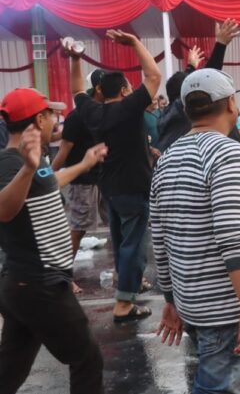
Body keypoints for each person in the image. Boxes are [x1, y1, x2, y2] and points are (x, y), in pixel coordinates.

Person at [151, 69, 240, 394]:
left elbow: (159, 237)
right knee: (218, 387)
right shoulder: (228, 154)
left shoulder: (168, 159)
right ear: (232, 104)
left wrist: (170, 298)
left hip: (193, 302)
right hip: (228, 309)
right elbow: (234, 237)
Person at [0, 88, 107, 394]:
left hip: (26, 285)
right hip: (38, 283)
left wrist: (84, 164)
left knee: (11, 367)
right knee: (87, 359)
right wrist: (28, 168)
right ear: (39, 119)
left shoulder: (31, 161)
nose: (55, 121)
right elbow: (4, 210)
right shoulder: (10, 162)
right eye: (51, 115)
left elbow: (47, 183)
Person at [69, 29, 162, 323]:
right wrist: (135, 42)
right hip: (134, 188)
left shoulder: (93, 112)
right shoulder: (129, 109)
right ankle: (124, 304)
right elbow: (154, 76)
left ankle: (126, 291)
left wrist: (75, 58)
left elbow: (76, 91)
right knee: (134, 246)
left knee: (122, 242)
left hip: (109, 188)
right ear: (123, 90)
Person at [52, 70, 109, 295]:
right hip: (82, 180)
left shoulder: (103, 112)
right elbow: (64, 149)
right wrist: (46, 179)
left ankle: (126, 275)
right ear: (98, 89)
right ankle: (63, 277)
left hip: (102, 178)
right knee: (77, 230)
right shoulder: (78, 116)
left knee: (118, 226)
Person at [157, 19, 240, 152]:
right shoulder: (179, 110)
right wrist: (220, 45)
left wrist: (191, 67)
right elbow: (205, 82)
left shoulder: (167, 115)